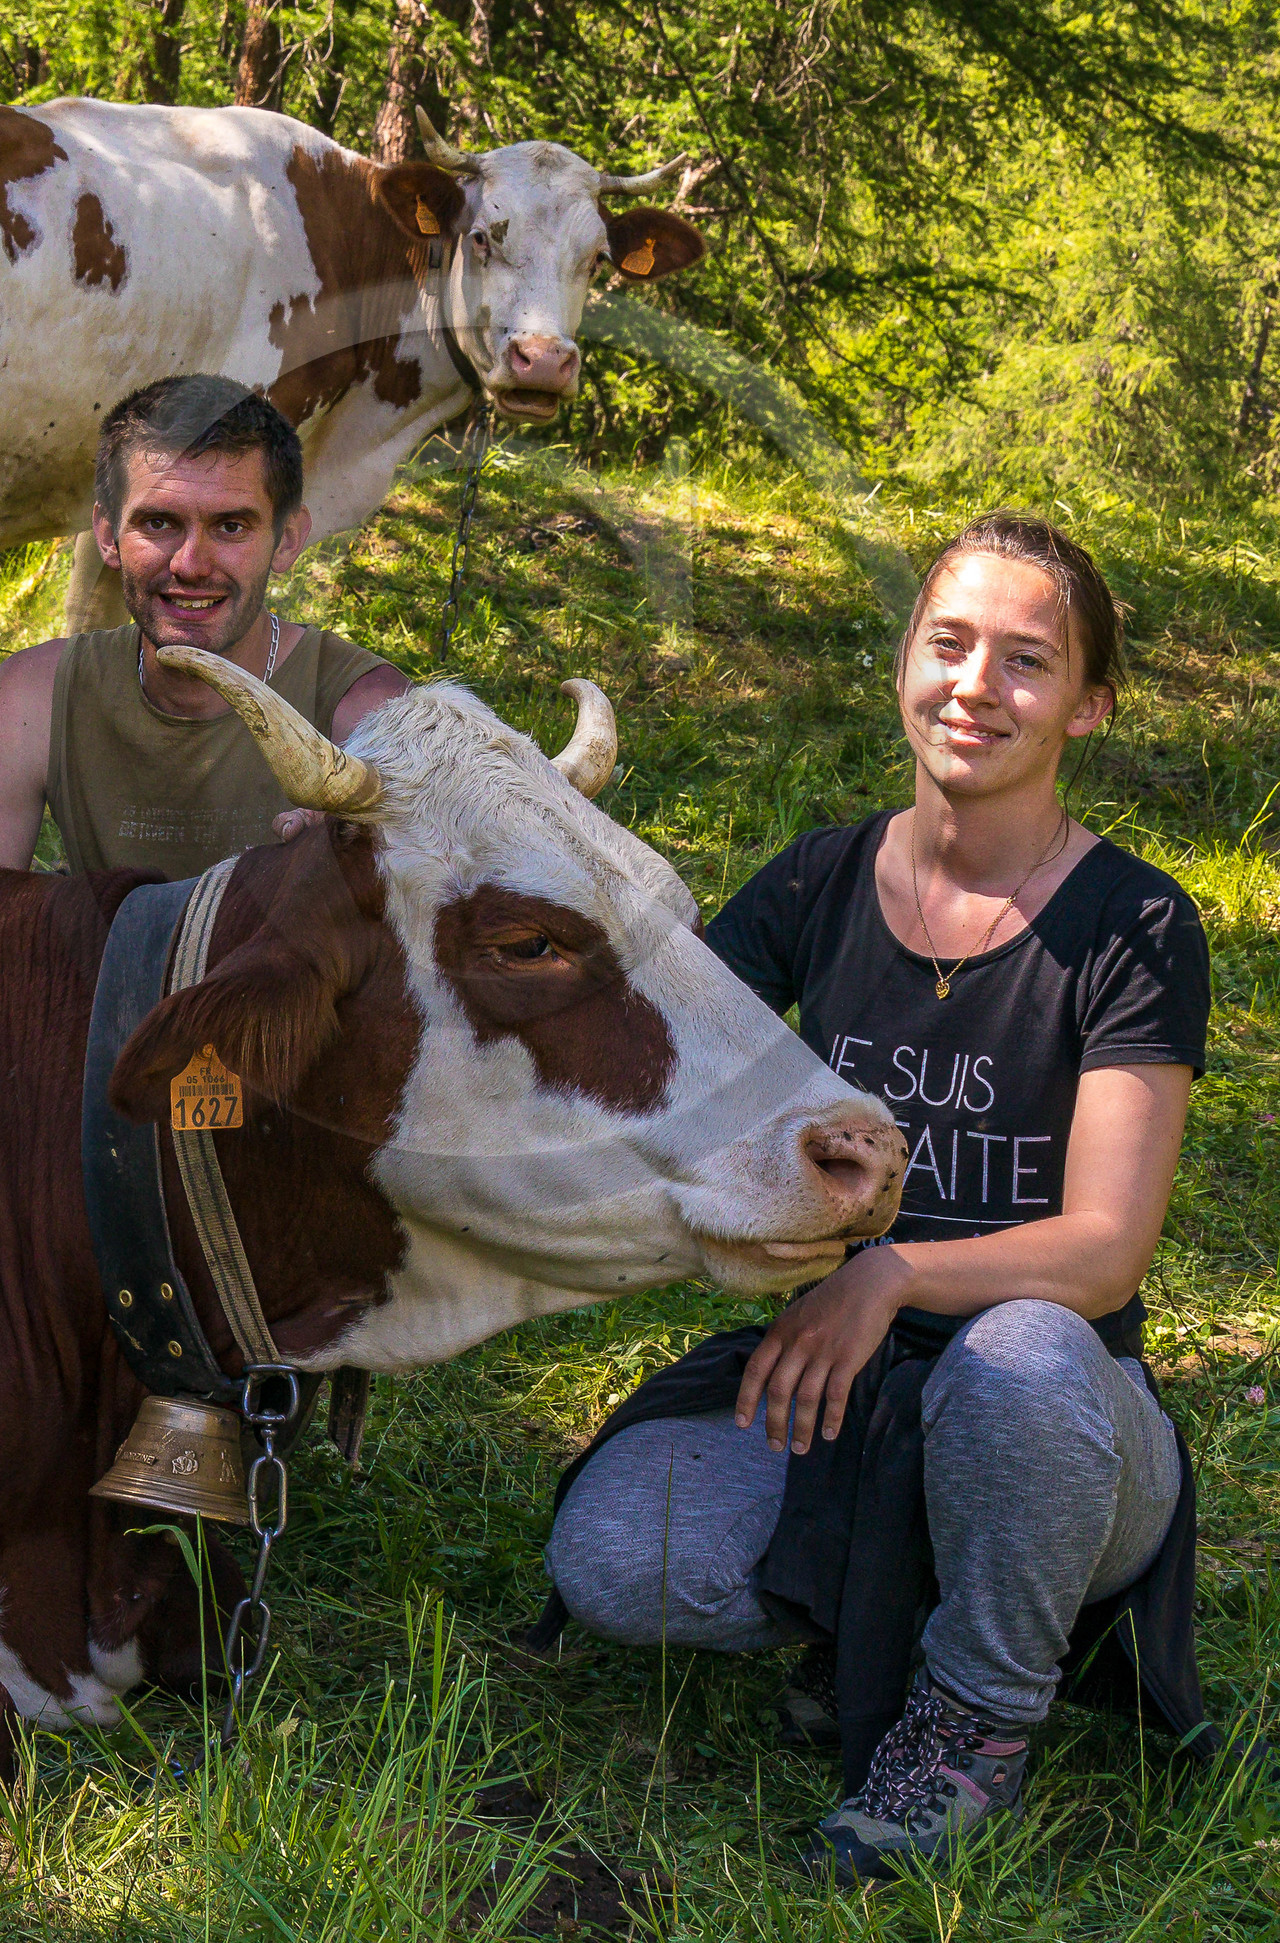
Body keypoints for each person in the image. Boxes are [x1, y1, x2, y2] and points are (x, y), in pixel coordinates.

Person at [542, 512, 1210, 1883]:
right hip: (837, 1401)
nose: (976, 683)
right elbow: (654, 1072)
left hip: (1065, 1416)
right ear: (903, 658)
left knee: (1019, 1352)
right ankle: (884, 1622)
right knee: (610, 1554)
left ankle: (974, 1710)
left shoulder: (1136, 924)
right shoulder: (815, 880)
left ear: (1088, 706)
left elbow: (1101, 1249)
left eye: (1027, 660)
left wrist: (888, 1269)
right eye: (948, 641)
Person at [0, 376, 408, 875]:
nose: (191, 565)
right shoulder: (37, 697)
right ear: (107, 536)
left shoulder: (366, 714)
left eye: (231, 526)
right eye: (159, 523)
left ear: (286, 540)